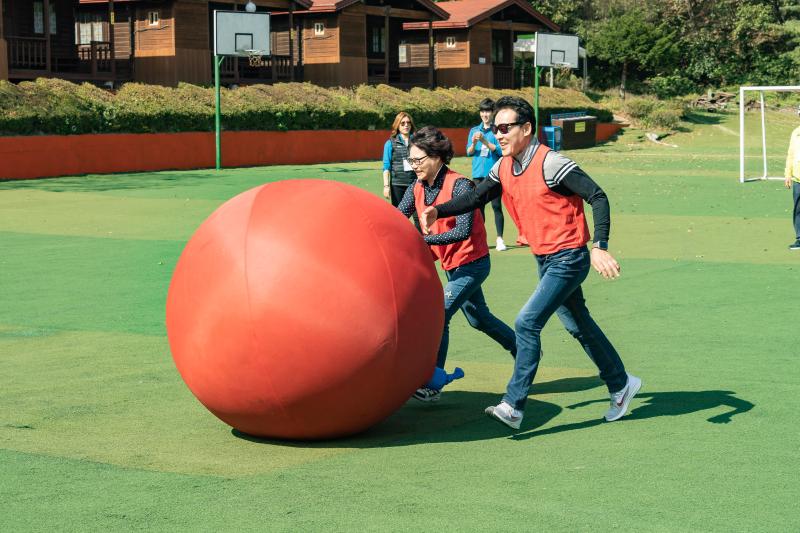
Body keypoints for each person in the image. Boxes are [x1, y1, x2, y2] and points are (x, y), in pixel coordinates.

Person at [419, 96, 641, 429]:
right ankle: (621, 383)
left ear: (527, 128)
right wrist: (440, 210)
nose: (499, 135)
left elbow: (597, 196)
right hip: (545, 258)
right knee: (578, 325)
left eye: (505, 128)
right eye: (495, 129)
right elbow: (477, 196)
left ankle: (513, 404)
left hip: (569, 257)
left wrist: (600, 246)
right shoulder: (503, 166)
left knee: (526, 322)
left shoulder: (551, 163)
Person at [397, 126, 517, 402]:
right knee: (479, 319)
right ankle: (524, 350)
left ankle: (433, 382)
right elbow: (397, 215)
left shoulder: (461, 185)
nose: (412, 166)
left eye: (417, 160)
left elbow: (462, 230)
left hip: (473, 264)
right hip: (451, 265)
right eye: (410, 161)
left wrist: (423, 242)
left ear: (436, 157)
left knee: (440, 314)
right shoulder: (417, 187)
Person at [467, 98, 507, 251]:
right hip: (478, 174)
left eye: (488, 111)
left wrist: (483, 141)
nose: (485, 114)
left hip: (494, 174)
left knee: (496, 206)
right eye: (482, 111)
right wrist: (474, 143)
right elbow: (469, 152)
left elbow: (499, 150)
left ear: (493, 113)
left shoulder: (498, 130)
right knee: (479, 208)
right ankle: (481, 239)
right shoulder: (474, 130)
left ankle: (500, 239)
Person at [382, 112, 420, 229]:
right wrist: (386, 186)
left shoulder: (417, 142)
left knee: (418, 217)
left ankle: (423, 243)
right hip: (397, 185)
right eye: (402, 123)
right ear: (397, 125)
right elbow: (386, 167)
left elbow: (421, 163)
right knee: (399, 217)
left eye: (408, 123)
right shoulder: (390, 143)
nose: (406, 125)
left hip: (415, 184)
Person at [784, 122, 800, 250]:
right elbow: (790, 155)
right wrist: (788, 174)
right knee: (798, 210)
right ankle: (799, 239)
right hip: (797, 179)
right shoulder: (795, 133)